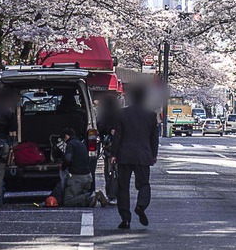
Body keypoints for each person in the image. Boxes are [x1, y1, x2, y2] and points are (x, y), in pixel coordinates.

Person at [111, 85, 159, 230]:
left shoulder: (122, 114)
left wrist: (113, 154)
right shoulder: (151, 116)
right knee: (144, 184)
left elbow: (117, 136)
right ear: (144, 98)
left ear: (131, 99)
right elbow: (154, 138)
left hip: (124, 155)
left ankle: (125, 219)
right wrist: (154, 154)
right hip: (143, 155)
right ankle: (141, 206)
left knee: (123, 187)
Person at [55, 127, 108, 207]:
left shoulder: (71, 144)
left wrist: (63, 167)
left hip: (77, 178)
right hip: (88, 177)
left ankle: (92, 196)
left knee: (67, 201)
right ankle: (90, 196)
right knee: (78, 197)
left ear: (66, 136)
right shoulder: (81, 144)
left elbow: (67, 159)